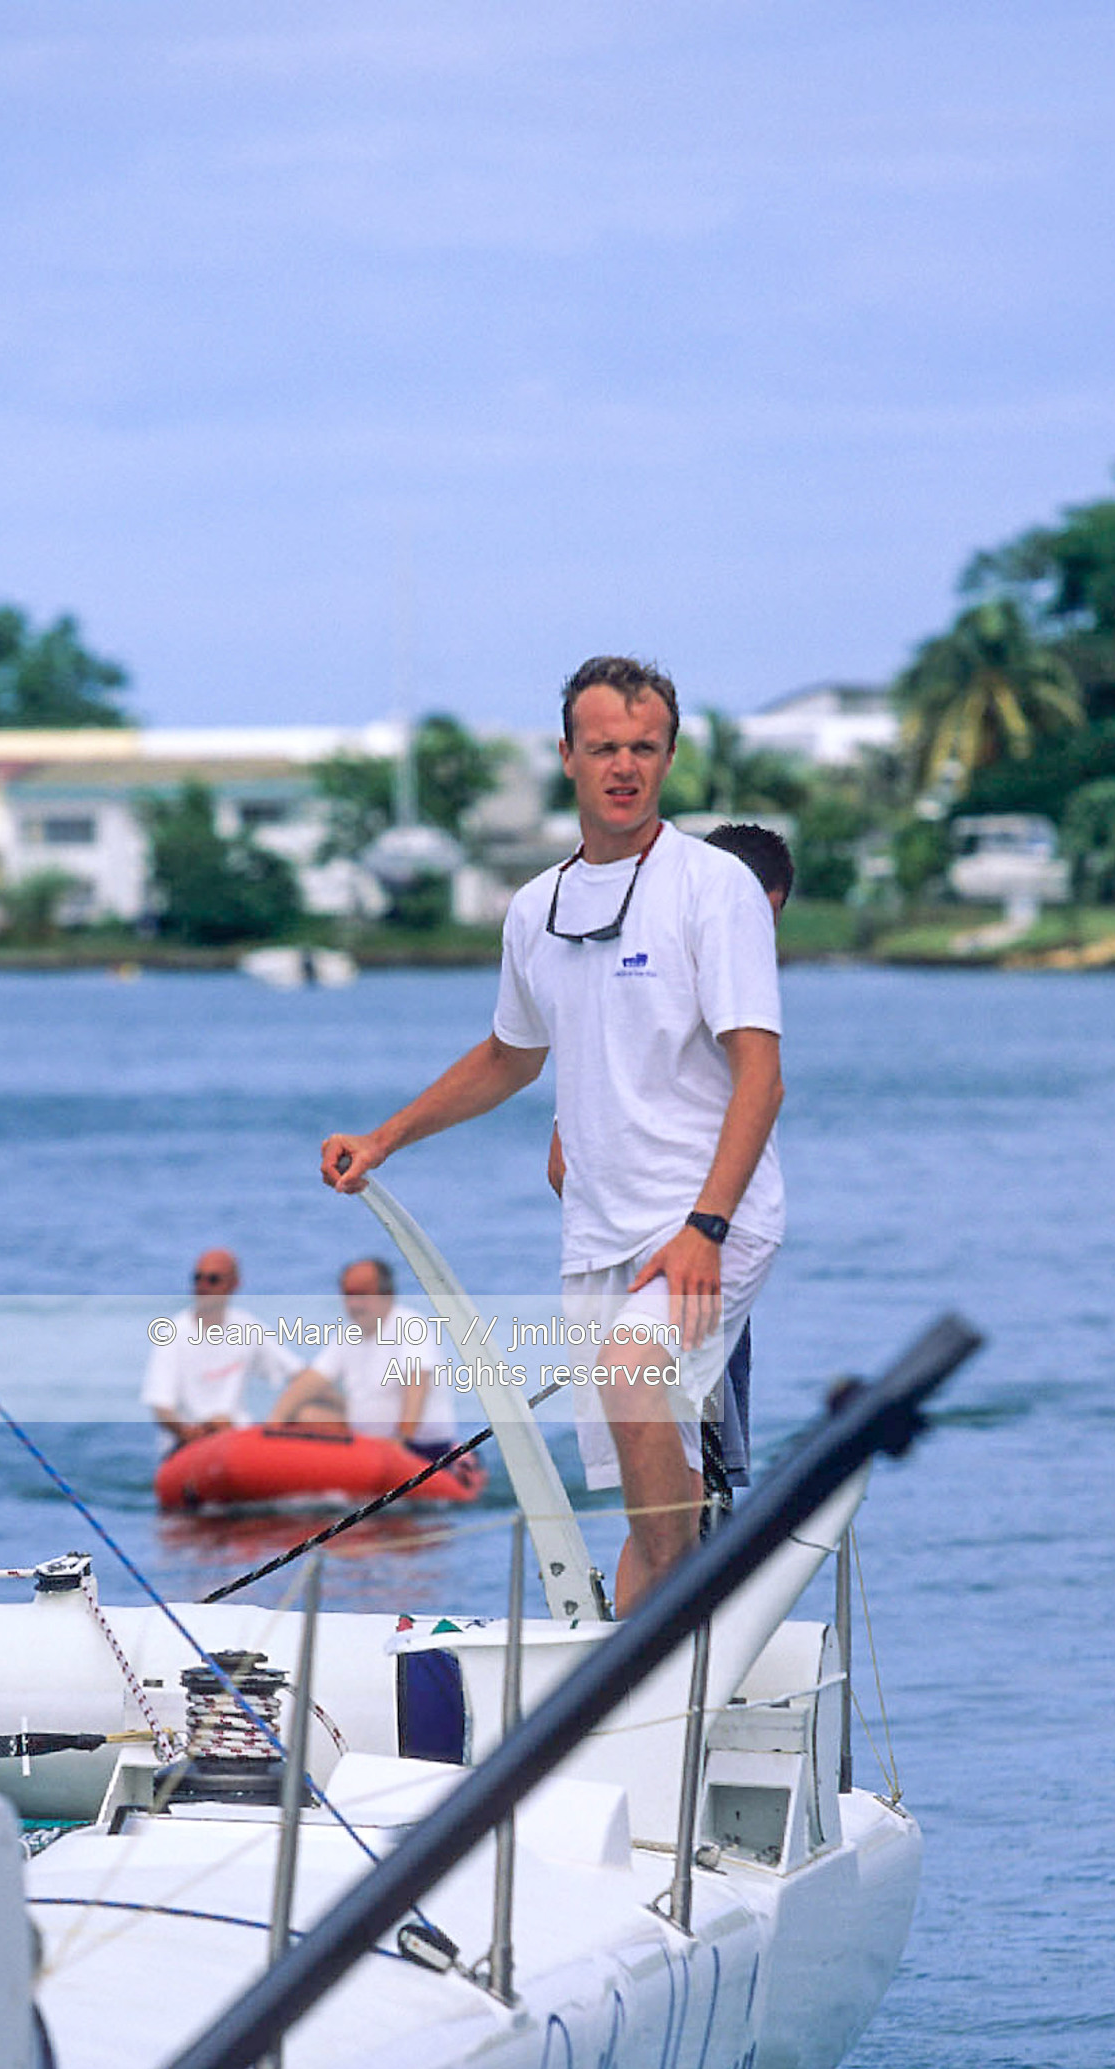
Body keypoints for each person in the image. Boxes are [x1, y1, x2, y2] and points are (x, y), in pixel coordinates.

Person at [320, 654, 785, 1613]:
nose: (625, 766)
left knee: (631, 1382)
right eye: (605, 747)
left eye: (645, 748)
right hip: (599, 1235)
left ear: (670, 757)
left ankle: (672, 1628)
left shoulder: (715, 887)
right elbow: (508, 1056)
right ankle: (637, 1660)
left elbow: (761, 1076)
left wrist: (706, 1227)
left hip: (705, 1226)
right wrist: (385, 1138)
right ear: (568, 755)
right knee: (647, 1503)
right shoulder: (535, 909)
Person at [545, 819, 793, 1494]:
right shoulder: (666, 992)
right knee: (686, 1488)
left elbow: (565, 1166)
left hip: (675, 1265)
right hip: (680, 1266)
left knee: (689, 1487)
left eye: (762, 923)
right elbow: (564, 1162)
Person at [269, 1257, 458, 1457]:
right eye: (349, 1295)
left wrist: (402, 1438)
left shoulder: (410, 1326)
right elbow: (312, 1380)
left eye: (362, 1295)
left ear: (386, 1296)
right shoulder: (348, 1335)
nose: (354, 1304)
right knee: (307, 1415)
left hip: (418, 1448)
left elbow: (417, 1384)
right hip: (367, 1445)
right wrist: (275, 1421)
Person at [141, 1247, 300, 1449]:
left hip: (235, 1435)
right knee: (220, 1425)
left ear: (234, 1284)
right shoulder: (173, 1333)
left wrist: (284, 1416)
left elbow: (297, 1373)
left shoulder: (246, 1327)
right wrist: (187, 1432)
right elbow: (161, 1406)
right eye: (197, 1278)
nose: (203, 1286)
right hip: (189, 1443)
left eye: (213, 1280)